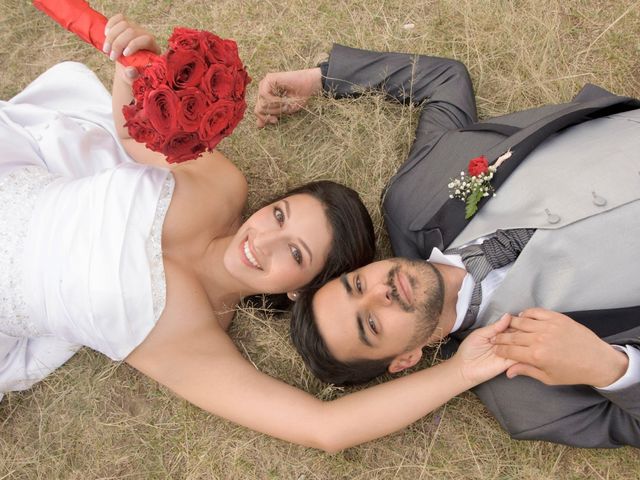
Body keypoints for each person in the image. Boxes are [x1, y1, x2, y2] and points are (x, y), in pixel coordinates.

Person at [0, 15, 516, 452]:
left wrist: (461, 374)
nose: (262, 241)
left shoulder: (192, 342)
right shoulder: (222, 186)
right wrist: (132, 68)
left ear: (300, 288)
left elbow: (325, 427)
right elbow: (136, 134)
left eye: (295, 251)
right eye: (280, 216)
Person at [255, 44, 640, 448]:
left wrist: (321, 79)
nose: (379, 294)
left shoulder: (413, 198)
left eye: (356, 285)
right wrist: (609, 368)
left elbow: (444, 82)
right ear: (405, 359)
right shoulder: (525, 398)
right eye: (370, 323)